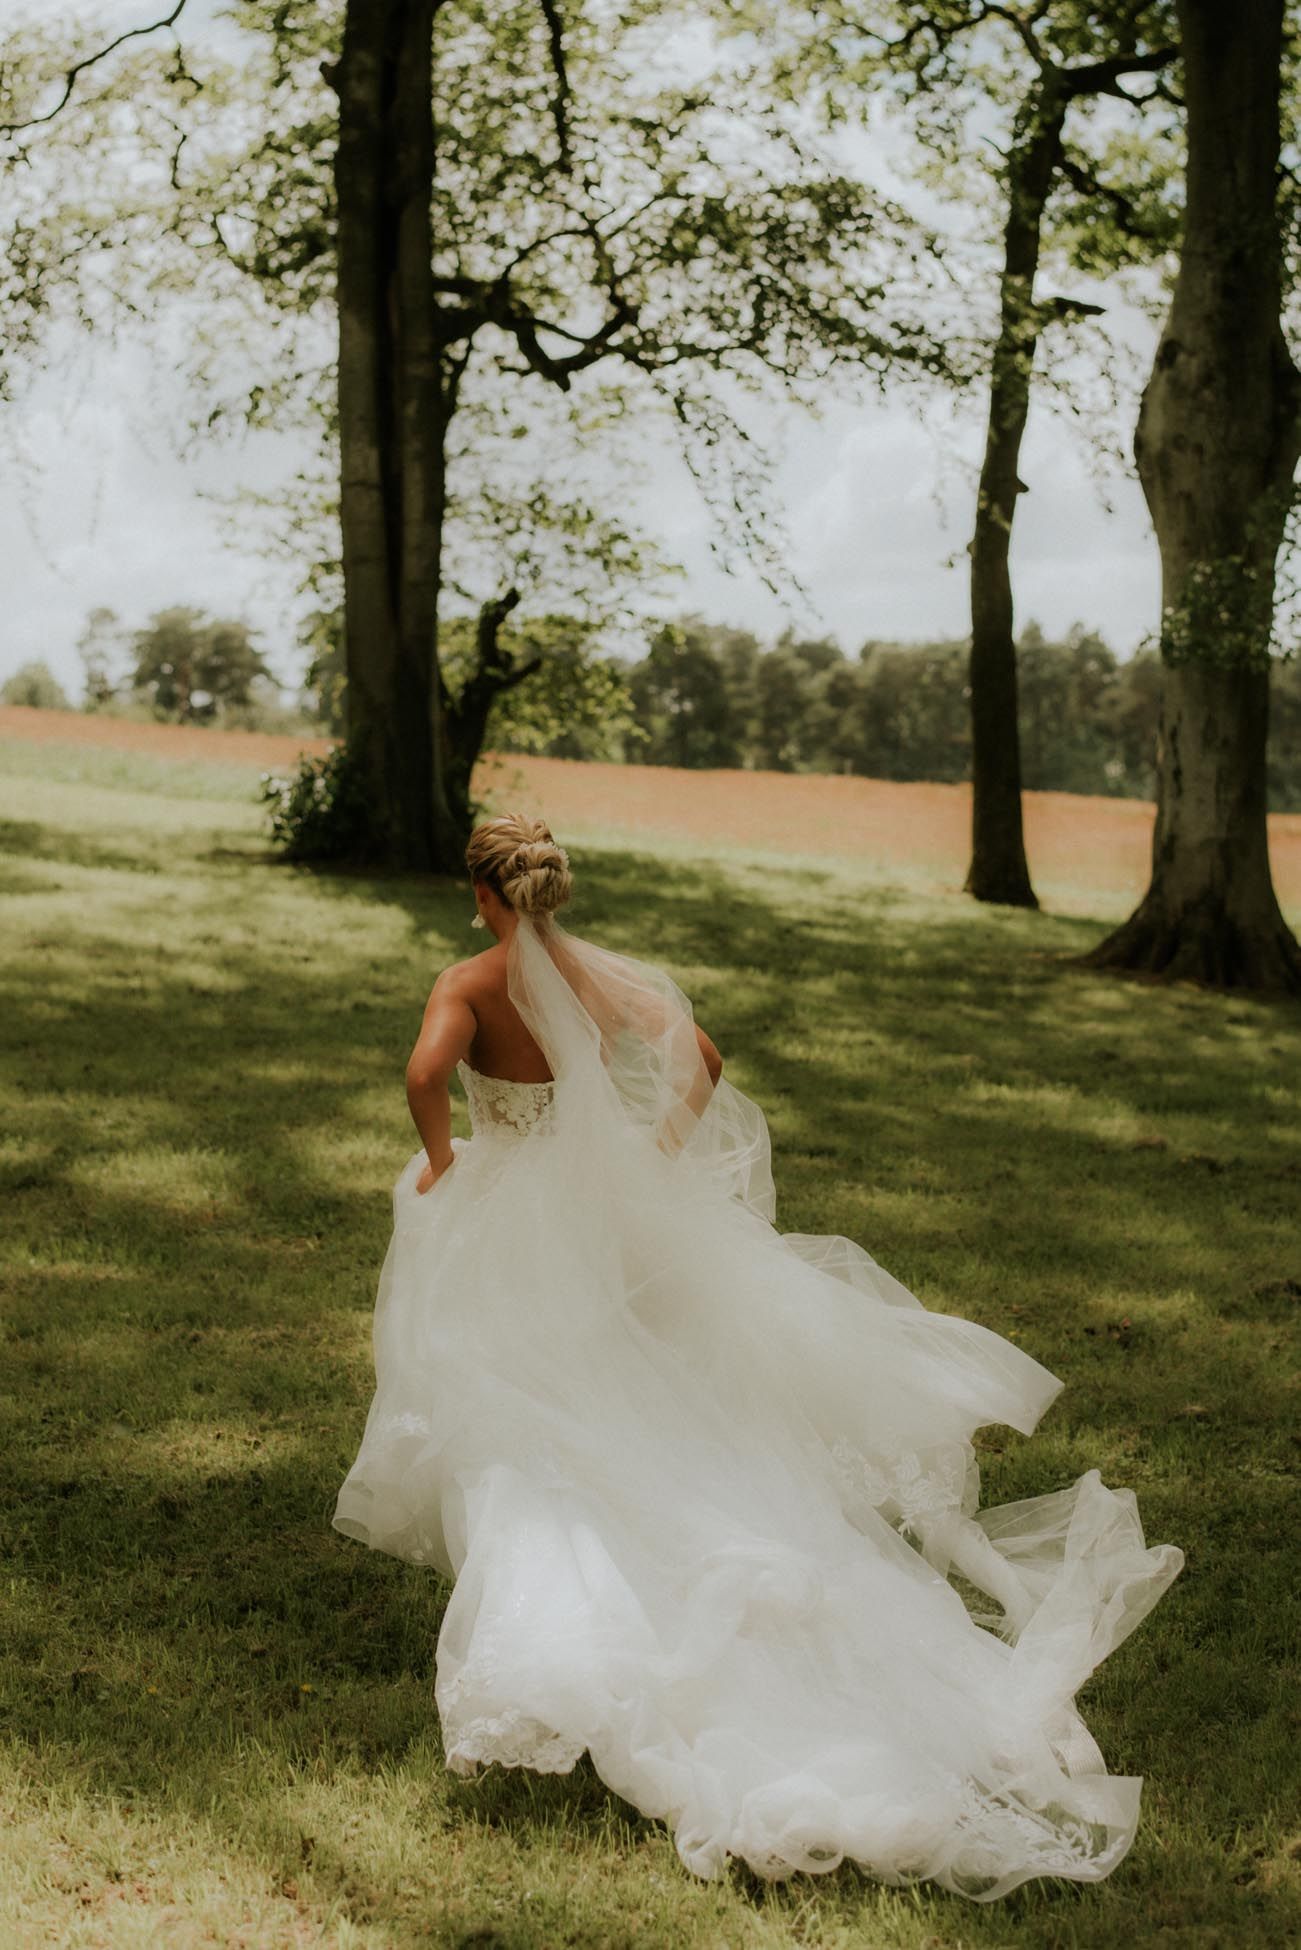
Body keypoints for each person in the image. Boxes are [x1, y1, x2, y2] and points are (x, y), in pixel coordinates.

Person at [333, 811, 1184, 1900]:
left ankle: (561, 1610)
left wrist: (444, 1153)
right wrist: (650, 1155)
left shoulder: (467, 978)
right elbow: (700, 1057)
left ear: (484, 894)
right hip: (601, 1208)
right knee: (632, 1386)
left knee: (513, 1395)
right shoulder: (596, 980)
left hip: (508, 1200)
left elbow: (422, 1072)